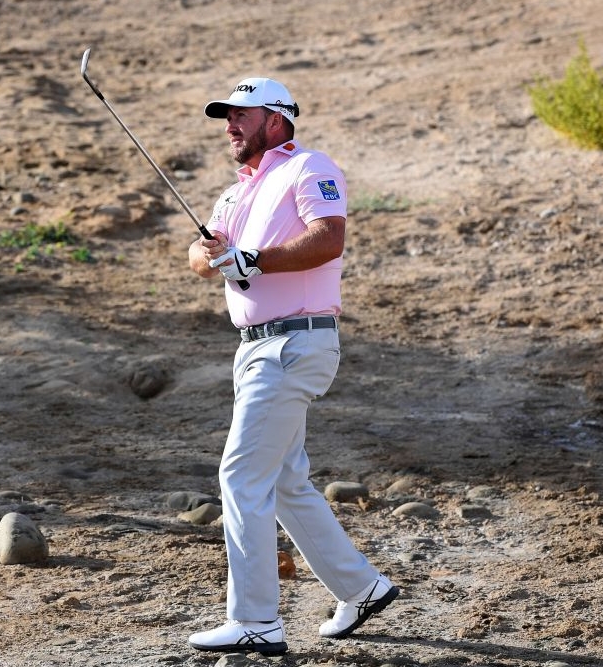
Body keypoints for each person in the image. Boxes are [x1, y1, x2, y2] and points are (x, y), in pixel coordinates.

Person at [186, 77, 399, 655]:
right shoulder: (236, 192)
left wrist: (253, 259)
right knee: (282, 480)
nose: (230, 125)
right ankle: (363, 587)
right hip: (254, 347)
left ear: (275, 120)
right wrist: (211, 256)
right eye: (226, 116)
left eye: (241, 116)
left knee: (240, 475)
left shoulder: (310, 167)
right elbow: (202, 257)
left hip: (294, 343)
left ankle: (256, 619)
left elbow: (328, 240)